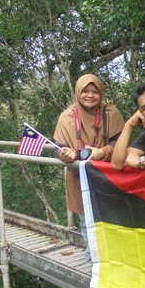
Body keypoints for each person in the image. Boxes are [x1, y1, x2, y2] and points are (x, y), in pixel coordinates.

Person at [54, 73, 125, 262]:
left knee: (112, 219)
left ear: (101, 93)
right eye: (85, 91)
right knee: (86, 222)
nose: (90, 95)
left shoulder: (110, 113)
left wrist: (103, 151)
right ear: (78, 92)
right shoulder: (67, 117)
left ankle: (114, 259)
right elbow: (58, 147)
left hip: (107, 175)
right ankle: (94, 261)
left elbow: (121, 143)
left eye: (95, 92)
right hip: (79, 177)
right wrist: (65, 154)